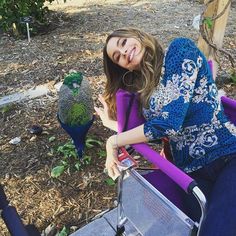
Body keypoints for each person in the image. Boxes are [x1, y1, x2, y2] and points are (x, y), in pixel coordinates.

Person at [94, 28, 236, 236]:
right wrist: (111, 124)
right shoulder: (146, 87)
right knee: (202, 228)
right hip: (190, 173)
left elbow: (168, 123)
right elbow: (156, 132)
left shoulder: (179, 50)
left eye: (124, 43)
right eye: (118, 57)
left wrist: (112, 142)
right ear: (123, 67)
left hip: (227, 156)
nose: (124, 53)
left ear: (139, 36)